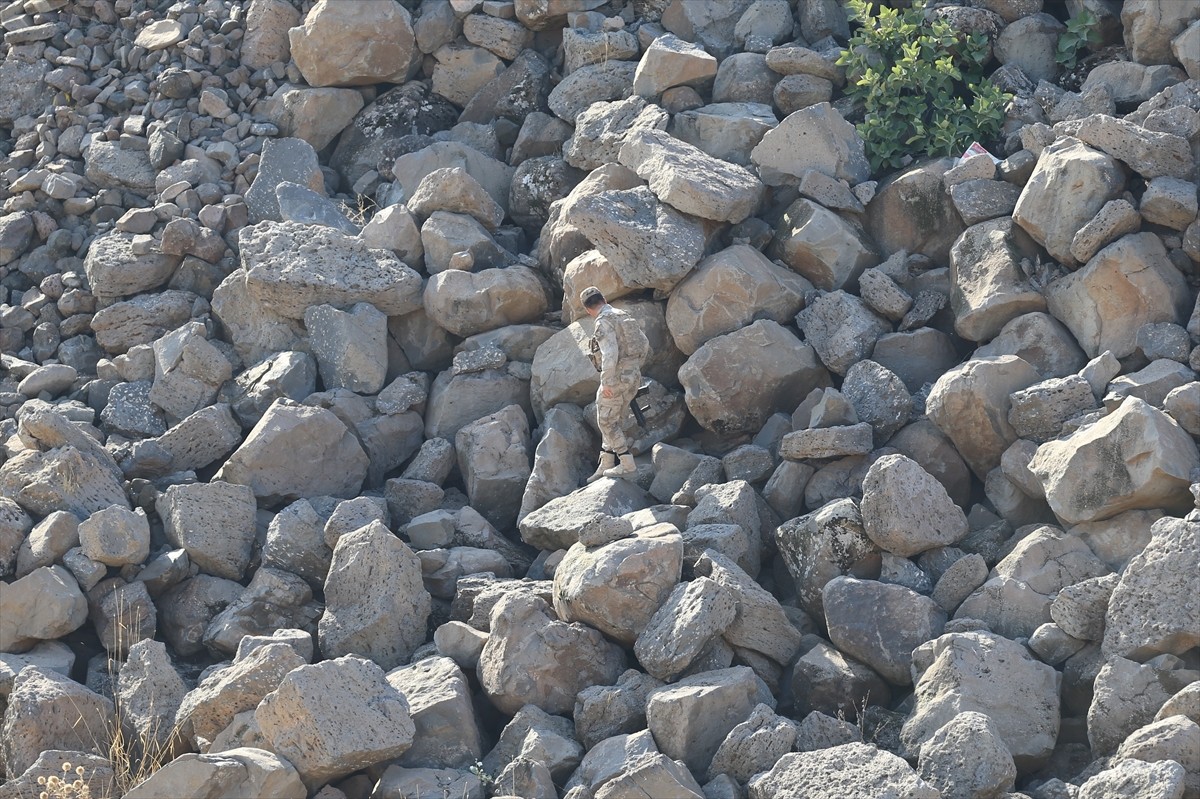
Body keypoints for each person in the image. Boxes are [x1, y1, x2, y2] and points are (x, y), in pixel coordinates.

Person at [581, 286, 649, 482]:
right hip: (633, 375)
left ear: (587, 310)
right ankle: (607, 463)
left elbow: (610, 355)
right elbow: (644, 344)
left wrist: (608, 383)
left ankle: (627, 464)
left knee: (606, 421)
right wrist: (633, 368)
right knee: (610, 414)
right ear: (603, 298)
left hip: (616, 379)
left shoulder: (602, 322)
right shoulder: (623, 315)